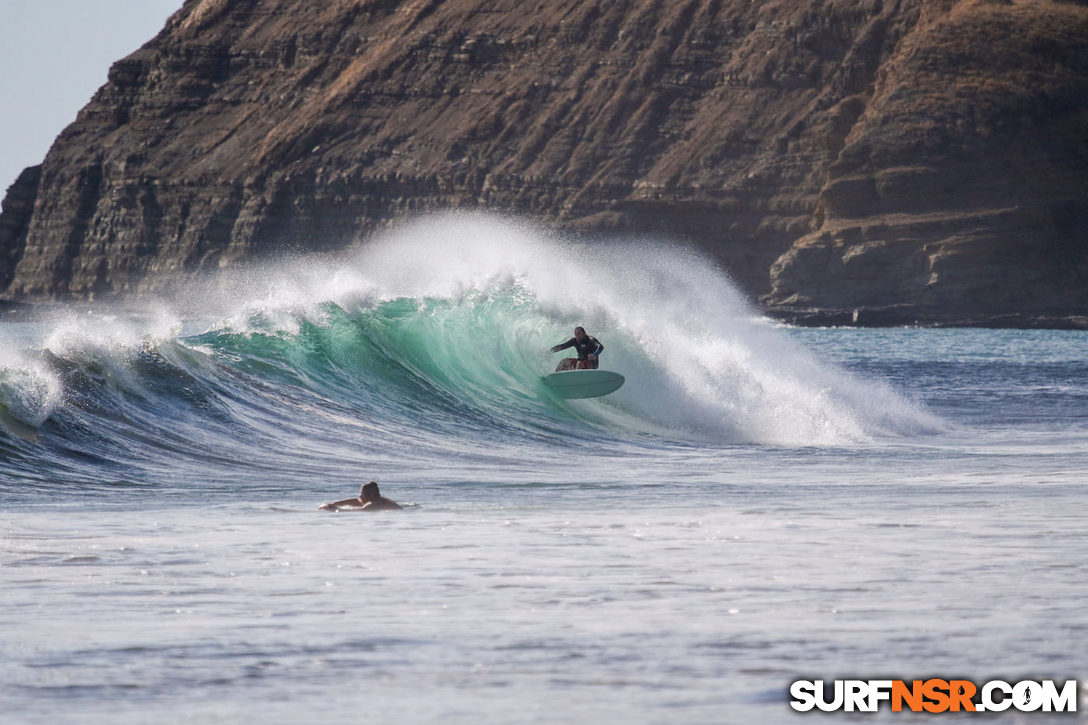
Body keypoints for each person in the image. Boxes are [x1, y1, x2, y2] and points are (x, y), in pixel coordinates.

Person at [318, 481, 402, 511]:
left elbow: (359, 511)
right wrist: (333, 504)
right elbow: (356, 501)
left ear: (373, 495)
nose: (360, 496)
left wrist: (333, 509)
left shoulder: (373, 505)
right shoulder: (375, 499)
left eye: (363, 494)